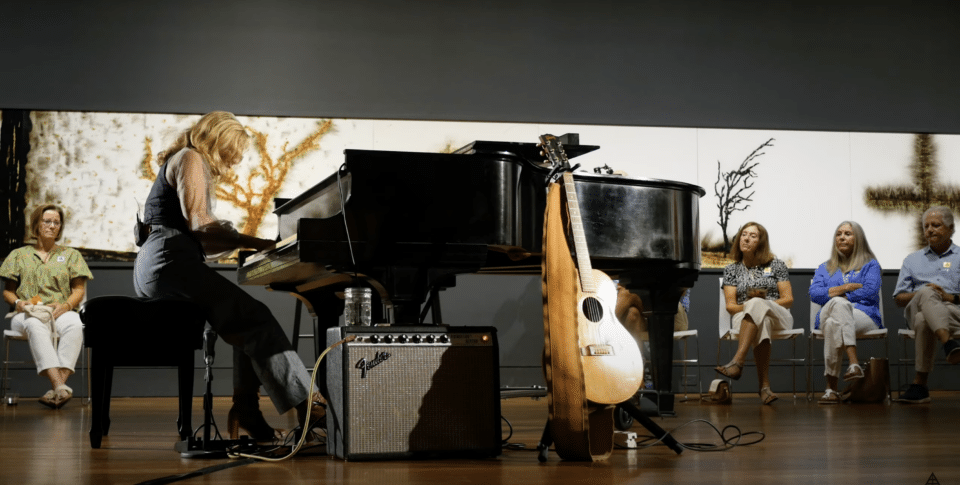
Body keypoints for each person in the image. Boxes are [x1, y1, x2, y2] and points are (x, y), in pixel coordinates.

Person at [133, 111, 321, 440]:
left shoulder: (184, 158)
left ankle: (247, 410)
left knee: (242, 324)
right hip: (169, 262)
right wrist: (259, 242)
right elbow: (201, 225)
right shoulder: (191, 157)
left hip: (163, 261)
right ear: (218, 140)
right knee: (256, 316)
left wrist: (242, 242)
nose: (233, 163)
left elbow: (201, 238)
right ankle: (310, 407)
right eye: (232, 153)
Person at [1, 204, 92, 409]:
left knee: (76, 324)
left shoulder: (71, 255)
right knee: (35, 325)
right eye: (47, 221)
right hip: (26, 314)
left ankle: (57, 390)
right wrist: (19, 303)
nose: (52, 226)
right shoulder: (19, 254)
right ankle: (59, 385)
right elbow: (8, 291)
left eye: (56, 222)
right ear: (36, 224)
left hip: (60, 310)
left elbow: (79, 290)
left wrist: (67, 305)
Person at [714, 221, 794, 405]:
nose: (746, 238)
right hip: (744, 317)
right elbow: (731, 306)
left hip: (778, 314)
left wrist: (761, 303)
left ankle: (737, 361)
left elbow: (788, 299)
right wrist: (753, 307)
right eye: (744, 234)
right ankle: (764, 388)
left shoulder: (776, 265)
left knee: (759, 305)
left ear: (761, 242)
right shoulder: (731, 270)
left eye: (753, 236)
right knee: (761, 321)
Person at [808, 221, 882, 404]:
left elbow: (871, 290)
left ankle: (831, 389)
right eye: (838, 234)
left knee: (836, 320)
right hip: (827, 314)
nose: (842, 237)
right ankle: (853, 362)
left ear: (858, 238)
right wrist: (846, 287)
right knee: (838, 305)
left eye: (848, 234)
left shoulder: (870, 265)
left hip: (864, 315)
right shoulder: (824, 267)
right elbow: (814, 294)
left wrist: (836, 294)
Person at [893, 206, 960, 404]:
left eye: (936, 225)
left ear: (951, 228)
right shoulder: (912, 260)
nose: (929, 230)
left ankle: (920, 385)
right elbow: (898, 298)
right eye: (926, 226)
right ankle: (948, 343)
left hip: (953, 312)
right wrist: (924, 294)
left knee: (924, 319)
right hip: (915, 310)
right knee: (926, 292)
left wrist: (949, 297)